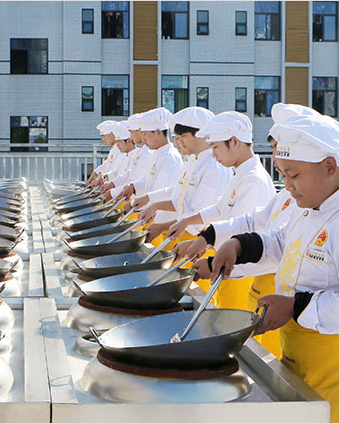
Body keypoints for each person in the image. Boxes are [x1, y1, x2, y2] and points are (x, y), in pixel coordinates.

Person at [209, 114, 339, 422]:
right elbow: (280, 242)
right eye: (282, 174)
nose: (288, 186)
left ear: (329, 167)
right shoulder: (306, 209)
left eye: (294, 175)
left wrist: (295, 306)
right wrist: (239, 245)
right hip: (298, 354)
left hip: (333, 362)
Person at [180, 103, 321, 357]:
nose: (275, 159)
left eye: (280, 150)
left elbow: (281, 250)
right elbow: (262, 228)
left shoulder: (258, 180)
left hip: (284, 303)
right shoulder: (288, 194)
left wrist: (295, 306)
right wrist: (211, 236)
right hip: (270, 297)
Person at [166, 111, 276, 310]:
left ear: (234, 141)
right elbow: (220, 209)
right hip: (227, 267)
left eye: (215, 147)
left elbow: (242, 232)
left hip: (239, 272)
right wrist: (188, 224)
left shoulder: (253, 180)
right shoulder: (240, 174)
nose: (213, 154)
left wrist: (205, 248)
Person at [135, 107, 230, 248]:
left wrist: (163, 226)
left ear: (199, 134)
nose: (177, 142)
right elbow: (180, 200)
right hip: (181, 233)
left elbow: (198, 217)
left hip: (198, 242)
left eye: (182, 137)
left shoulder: (213, 167)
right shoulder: (192, 161)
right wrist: (154, 205)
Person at [117, 107, 183, 240]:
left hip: (162, 224)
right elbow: (148, 182)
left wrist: (136, 203)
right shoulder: (158, 153)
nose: (143, 139)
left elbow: (161, 192)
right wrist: (133, 187)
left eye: (145, 135)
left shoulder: (169, 157)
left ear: (158, 132)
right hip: (152, 218)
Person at [100, 114, 153, 202]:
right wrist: (110, 182)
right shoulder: (140, 153)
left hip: (137, 203)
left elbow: (137, 180)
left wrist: (112, 192)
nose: (131, 135)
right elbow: (127, 175)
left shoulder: (147, 153)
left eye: (131, 132)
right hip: (131, 201)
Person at [86, 120, 125, 187]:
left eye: (104, 136)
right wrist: (96, 172)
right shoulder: (114, 149)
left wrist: (101, 178)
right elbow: (107, 164)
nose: (103, 139)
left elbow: (115, 171)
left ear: (112, 134)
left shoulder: (121, 151)